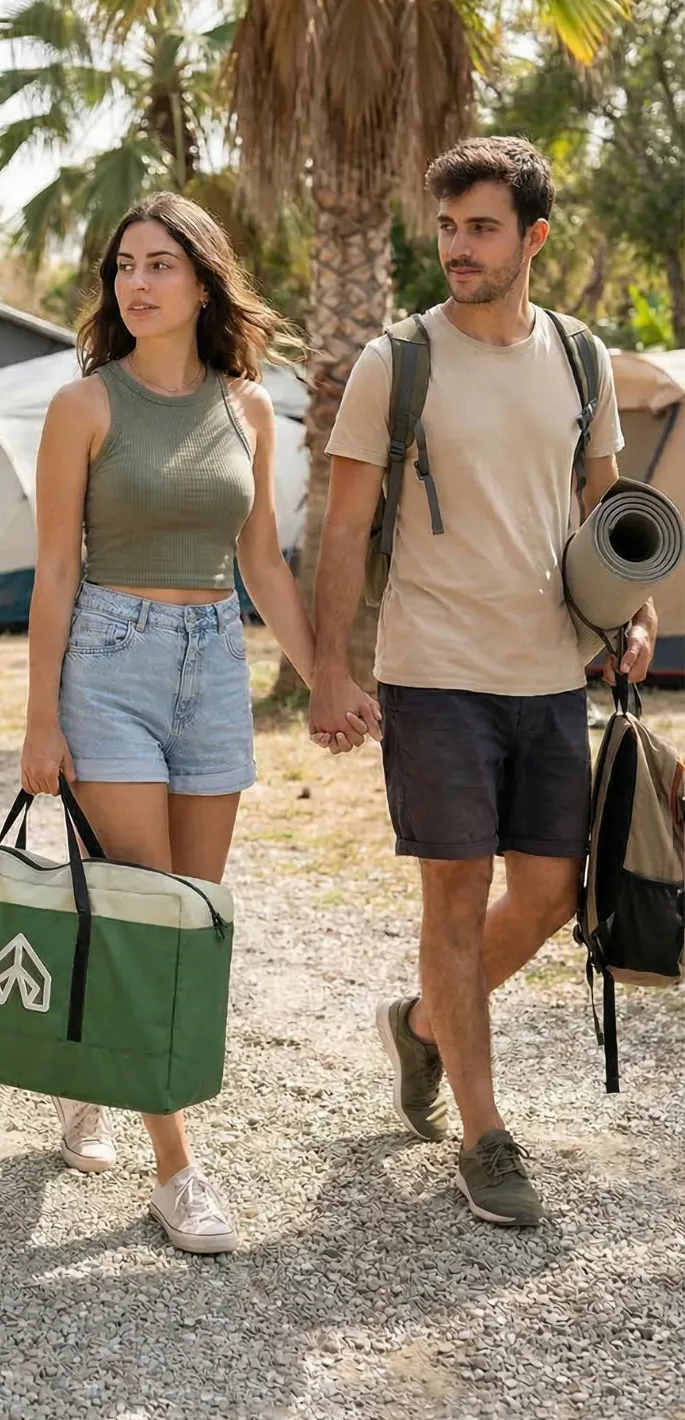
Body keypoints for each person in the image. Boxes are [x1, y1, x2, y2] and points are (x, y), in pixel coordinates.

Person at [309, 137, 657, 1227]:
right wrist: (330, 669)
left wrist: (634, 610)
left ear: (533, 238)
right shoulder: (395, 361)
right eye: (450, 227)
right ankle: (484, 1133)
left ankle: (420, 1029)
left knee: (552, 896)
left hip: (550, 672)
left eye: (483, 228)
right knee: (453, 899)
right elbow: (347, 527)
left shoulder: (581, 357)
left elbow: (611, 514)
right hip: (434, 672)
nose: (458, 247)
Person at [20, 193, 314, 1254]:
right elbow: (56, 569)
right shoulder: (82, 407)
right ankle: (179, 1170)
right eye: (123, 266)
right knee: (148, 914)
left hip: (214, 669)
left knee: (195, 918)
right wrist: (39, 721)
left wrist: (325, 677)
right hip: (107, 664)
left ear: (203, 279)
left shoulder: (250, 406)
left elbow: (264, 560)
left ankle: (93, 1064)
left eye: (160, 264)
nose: (136, 284)